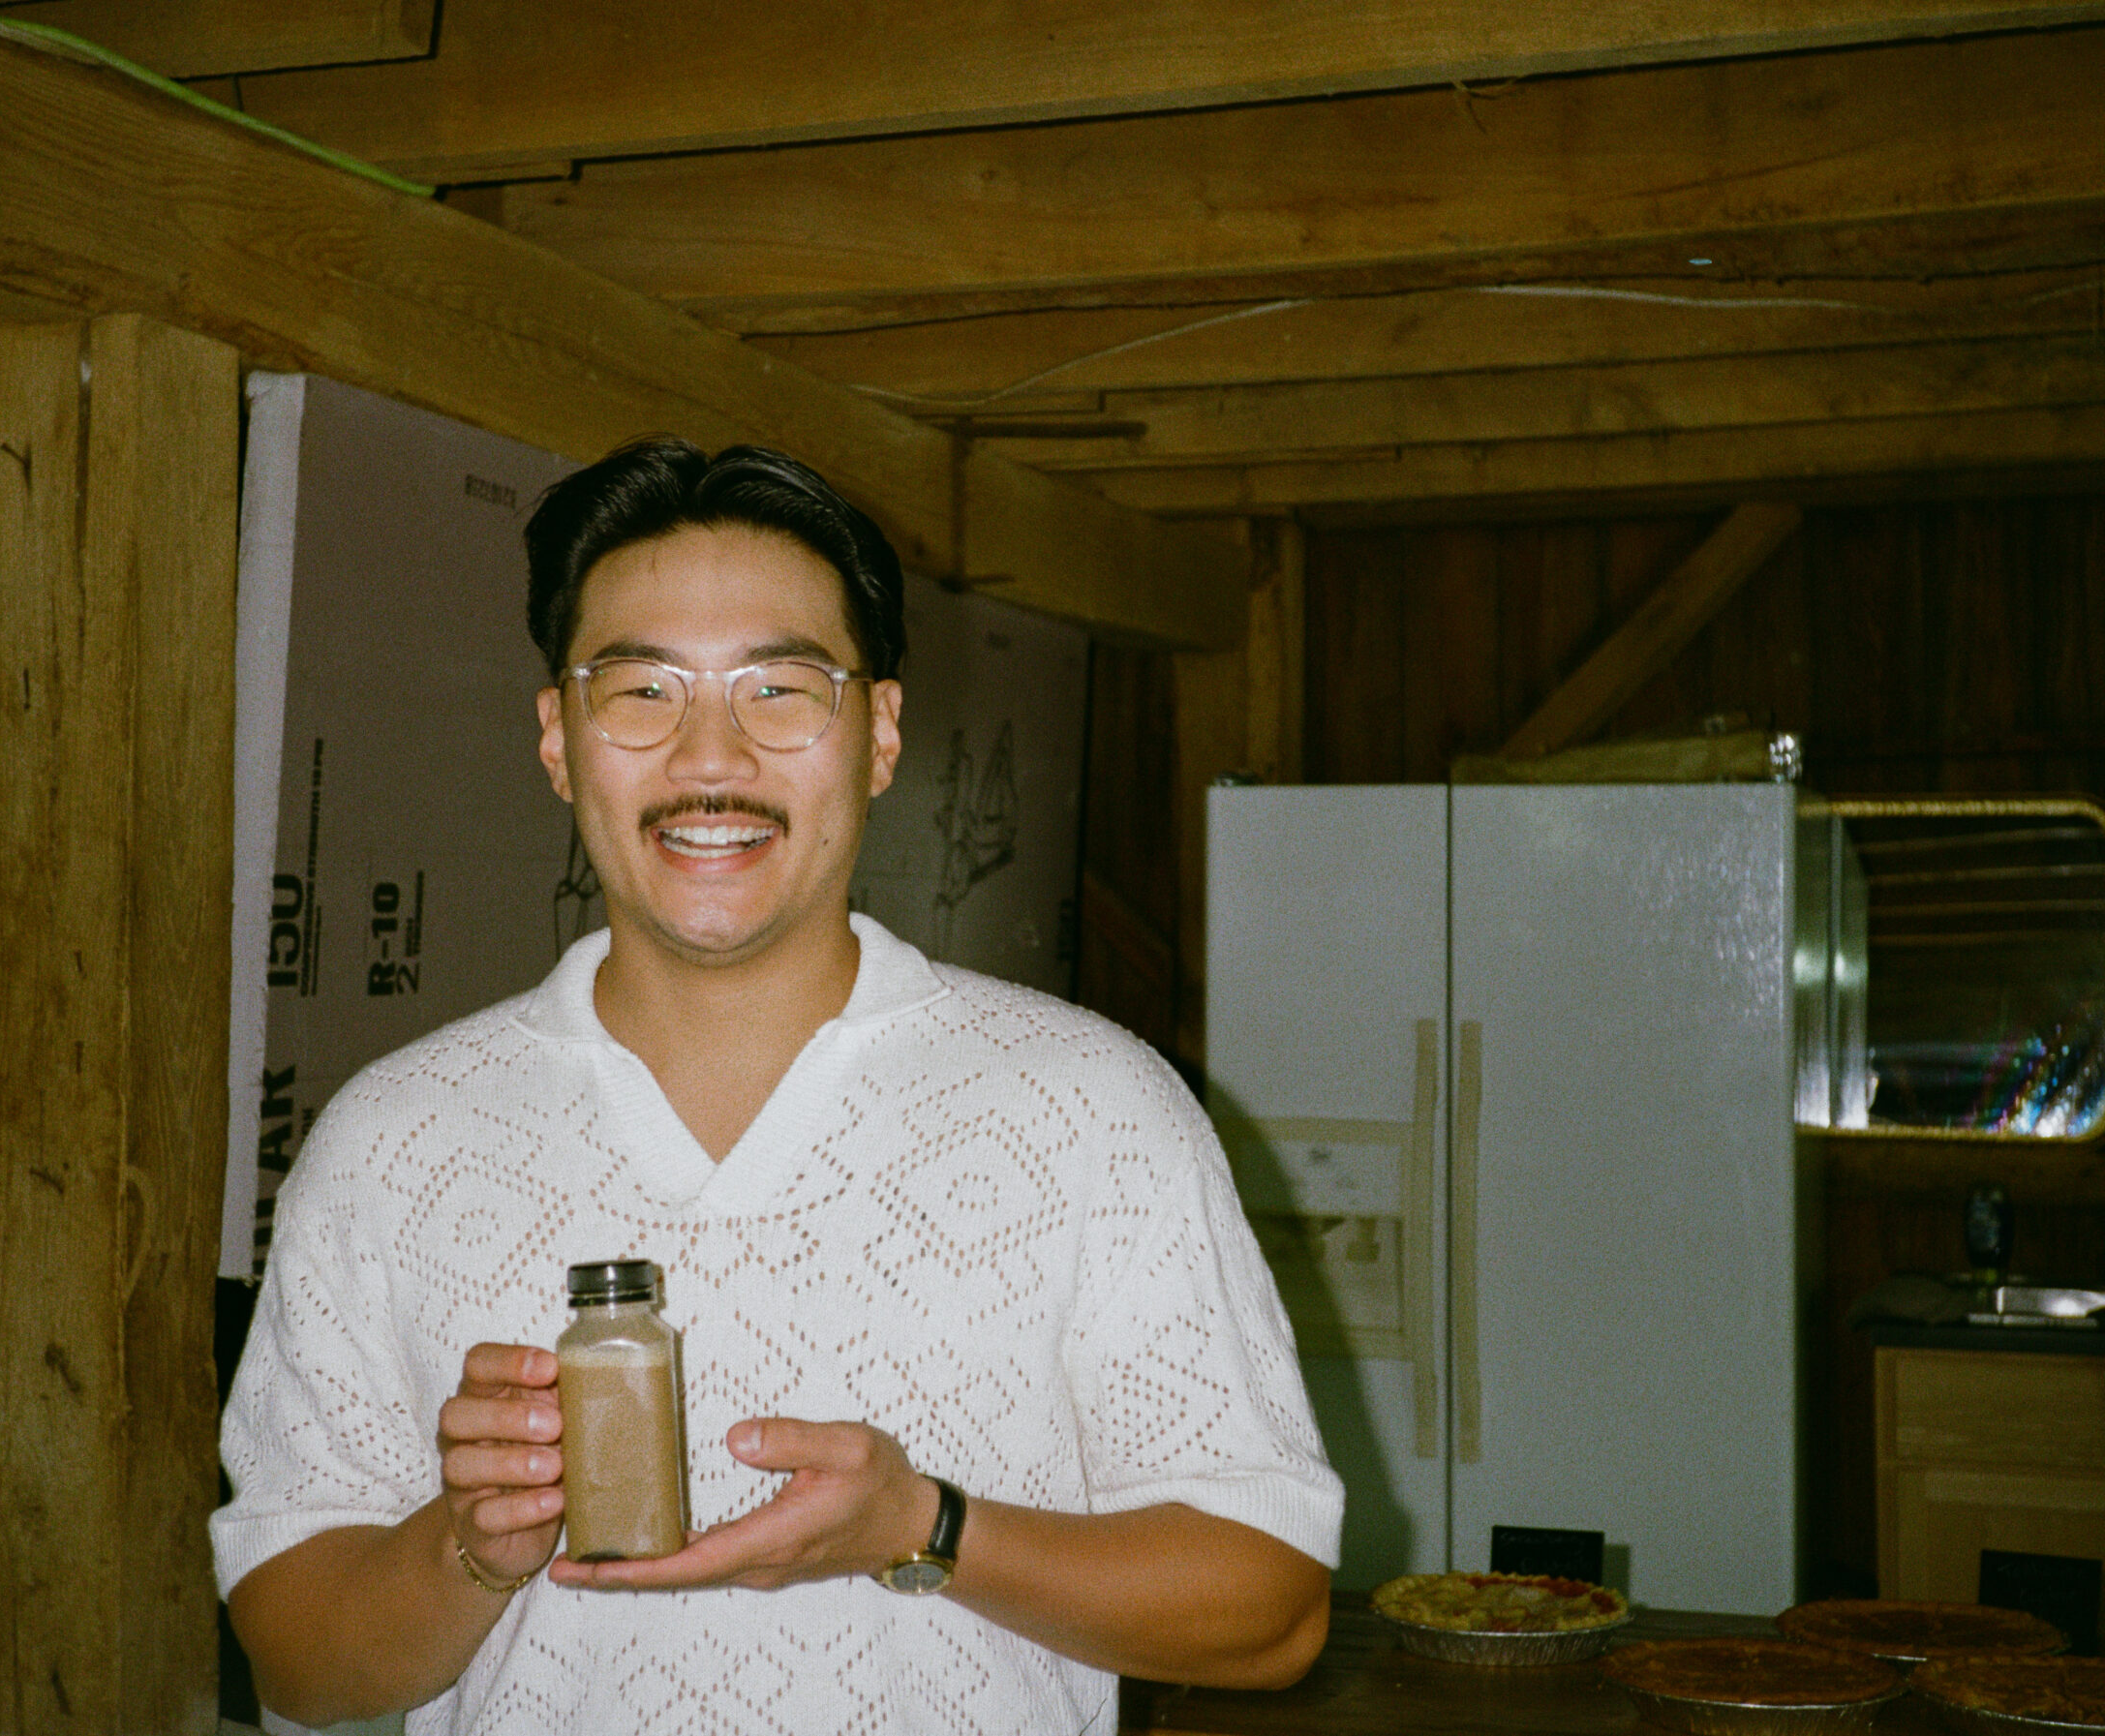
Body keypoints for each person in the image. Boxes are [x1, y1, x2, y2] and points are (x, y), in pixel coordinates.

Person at [214, 438, 1342, 1735]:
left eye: (782, 690)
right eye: (641, 691)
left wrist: (924, 1526)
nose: (712, 755)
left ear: (880, 735)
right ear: (559, 740)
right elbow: (293, 1662)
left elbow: (1272, 1608)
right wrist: (470, 1543)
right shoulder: (389, 1142)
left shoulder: (1093, 1109)